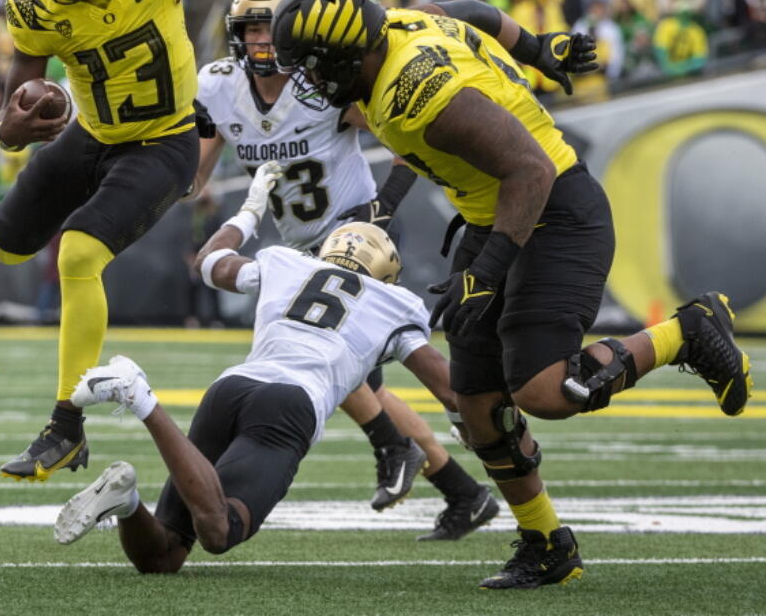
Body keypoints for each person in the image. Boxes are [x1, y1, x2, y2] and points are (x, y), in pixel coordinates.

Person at [269, 0, 754, 588]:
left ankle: (687, 331)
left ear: (347, 55)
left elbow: (529, 170)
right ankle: (547, 543)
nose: (307, 80)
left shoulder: (417, 91)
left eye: (313, 64)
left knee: (546, 392)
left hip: (553, 211)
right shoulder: (397, 25)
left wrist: (486, 272)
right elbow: (472, 9)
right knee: (476, 403)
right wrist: (537, 47)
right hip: (497, 215)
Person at [0, 0, 283, 482]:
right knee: (3, 244)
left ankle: (66, 425)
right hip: (90, 134)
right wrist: (20, 125)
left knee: (80, 252)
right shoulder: (34, 4)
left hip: (164, 138)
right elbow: (12, 115)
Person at [191, 0, 494, 534]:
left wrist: (384, 208)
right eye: (250, 30)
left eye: (269, 29)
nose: (260, 42)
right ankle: (459, 487)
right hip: (300, 246)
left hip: (359, 236)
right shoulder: (218, 88)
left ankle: (406, 444)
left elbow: (410, 138)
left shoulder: (323, 84)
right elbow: (197, 169)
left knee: (321, 360)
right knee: (353, 378)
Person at [55, 209, 483, 567]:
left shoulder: (287, 262)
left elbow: (208, 261)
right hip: (289, 405)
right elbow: (450, 389)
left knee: (164, 554)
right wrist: (465, 424)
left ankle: (127, 501)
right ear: (386, 271)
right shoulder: (395, 302)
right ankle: (141, 399)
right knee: (220, 531)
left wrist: (249, 212)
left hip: (229, 389)